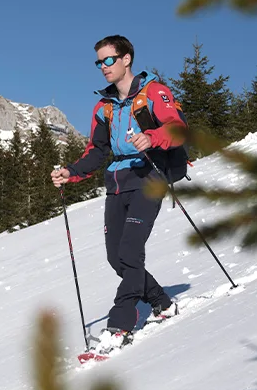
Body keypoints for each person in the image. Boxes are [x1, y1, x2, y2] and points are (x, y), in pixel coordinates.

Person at [51, 35, 188, 353]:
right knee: (116, 257)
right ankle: (161, 302)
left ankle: (120, 324)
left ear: (126, 59)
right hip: (117, 182)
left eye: (108, 60)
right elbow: (97, 151)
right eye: (99, 62)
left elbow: (177, 127)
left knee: (129, 252)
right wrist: (70, 172)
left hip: (150, 175)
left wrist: (151, 137)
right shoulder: (104, 107)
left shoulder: (154, 92)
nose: (102, 67)